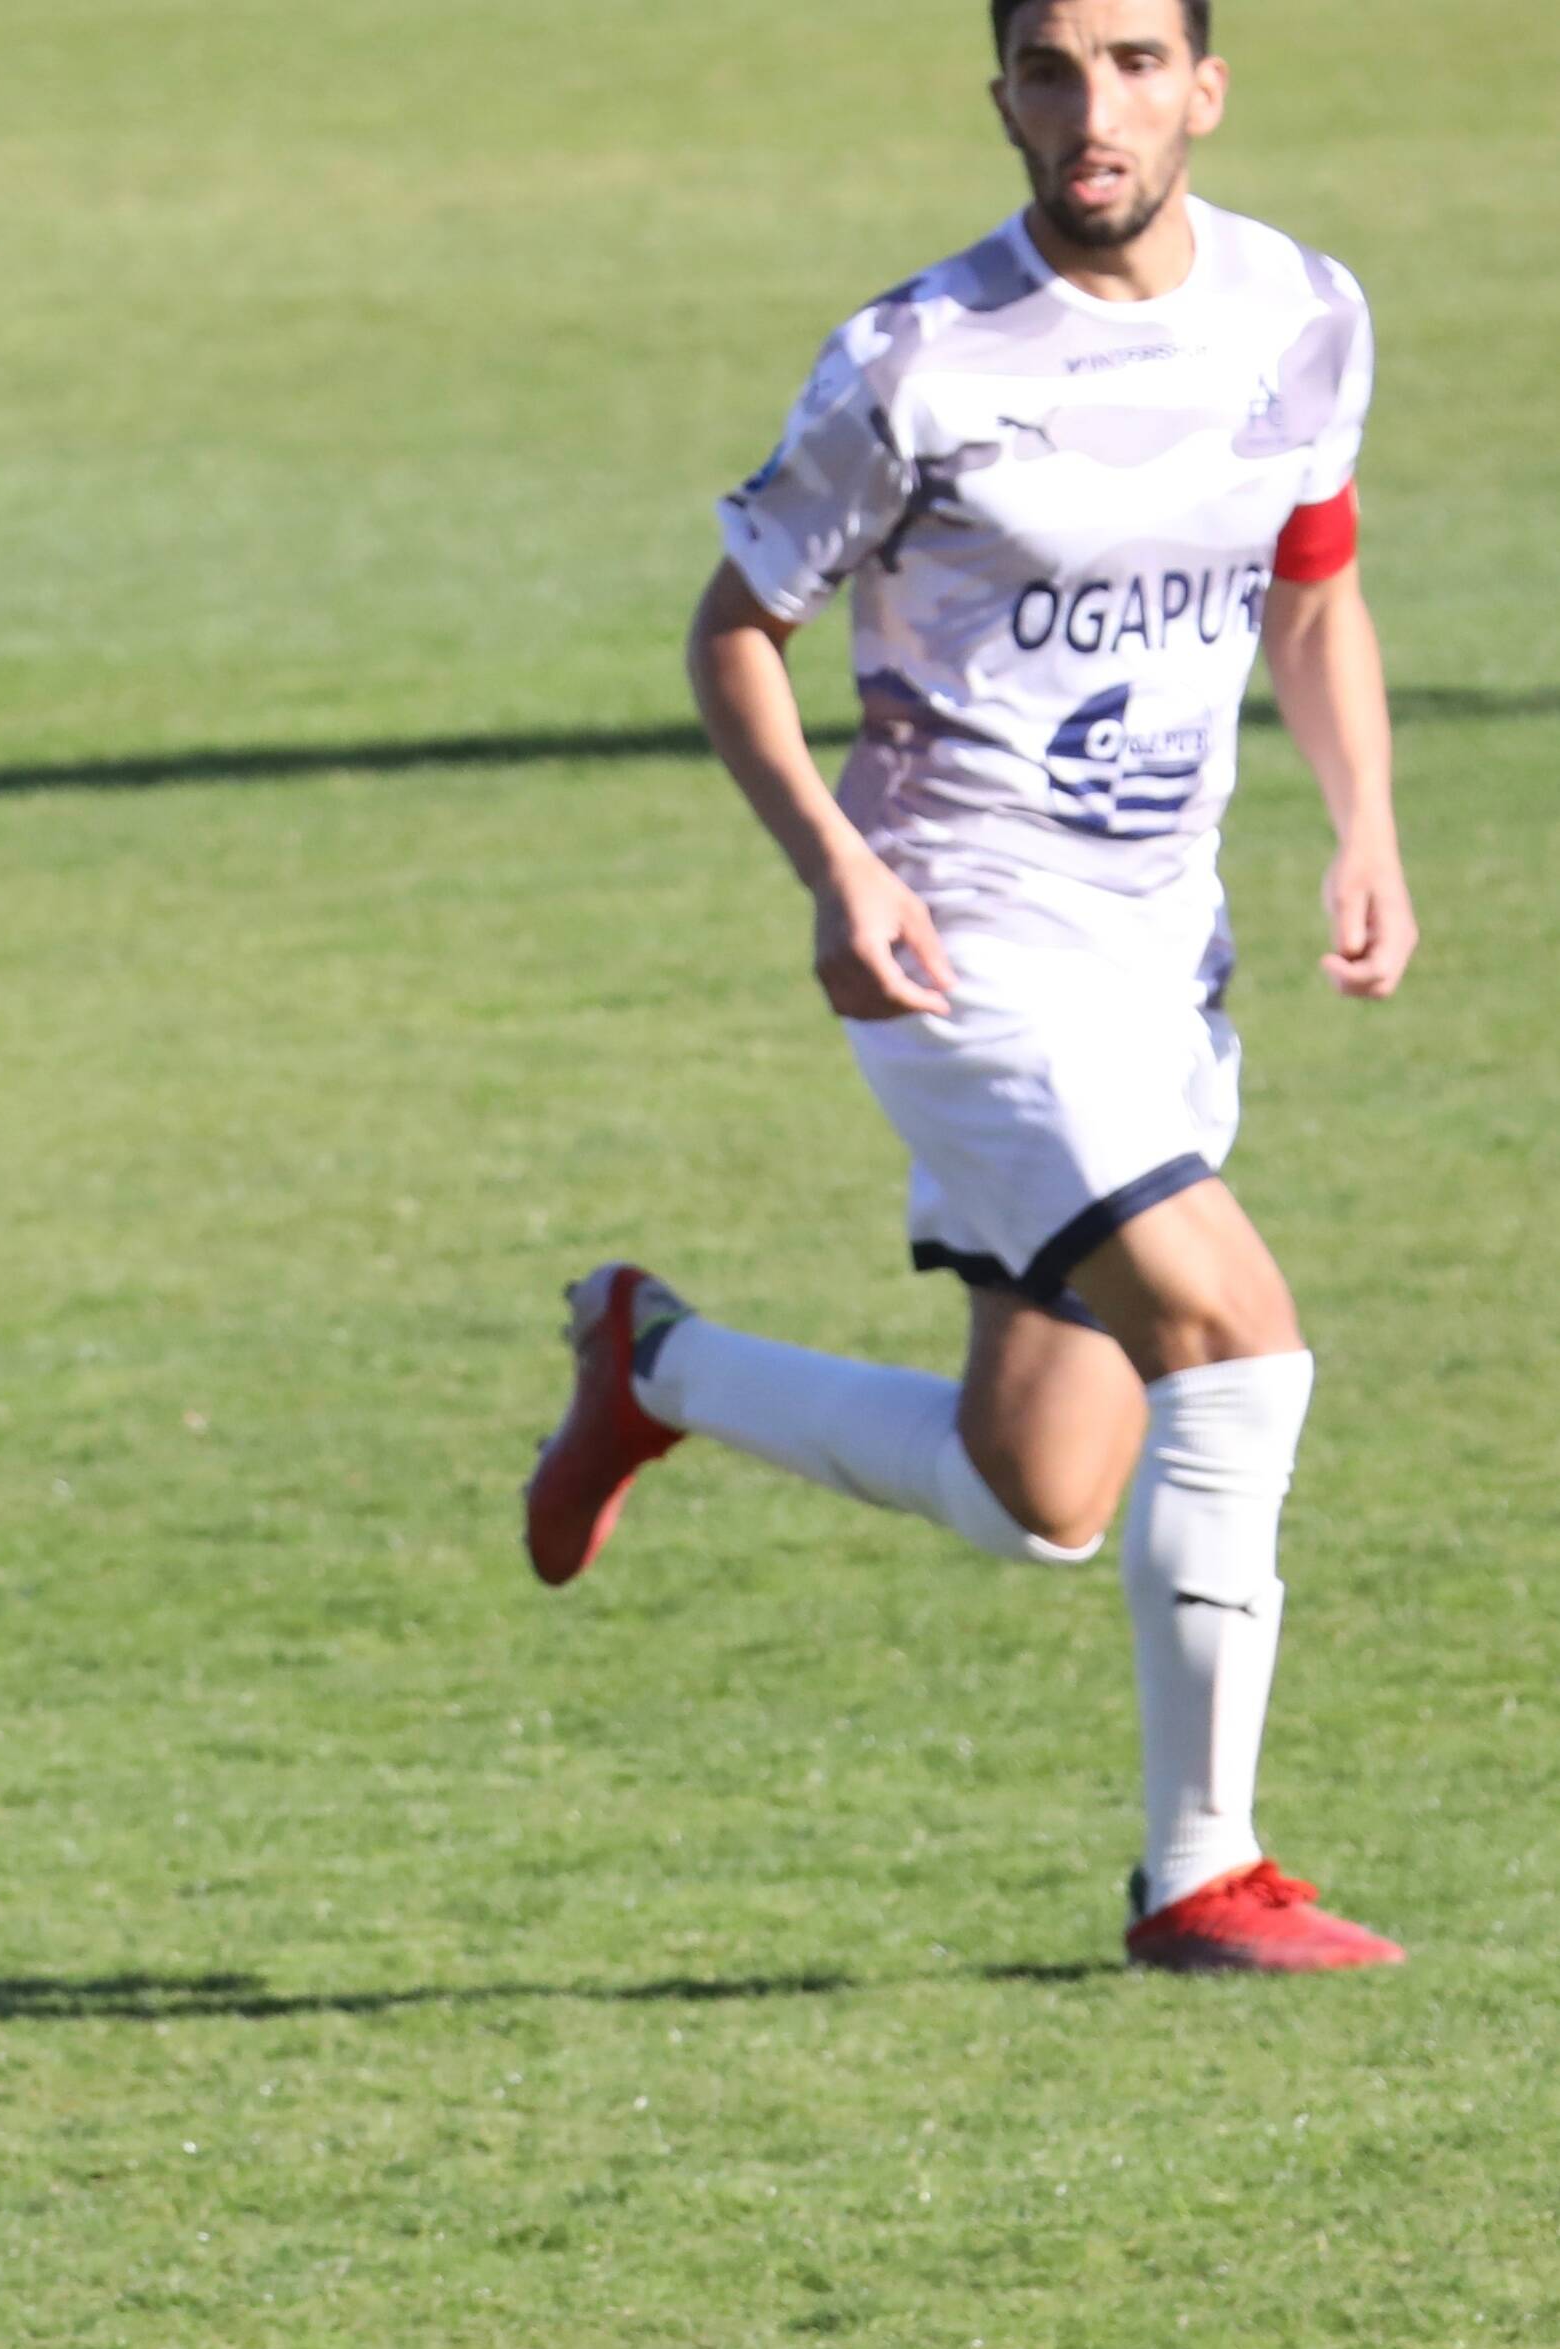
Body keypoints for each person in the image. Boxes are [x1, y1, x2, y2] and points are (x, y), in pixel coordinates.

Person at [525, 0, 1410, 1972]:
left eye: (1128, 64)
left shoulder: (1301, 311)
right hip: (965, 946)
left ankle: (651, 1363)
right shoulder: (916, 359)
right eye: (1046, 70)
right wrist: (835, 868)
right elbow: (736, 631)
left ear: (1204, 83)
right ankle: (1203, 1876)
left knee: (1047, 1492)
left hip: (1161, 959)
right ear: (999, 91)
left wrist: (1365, 827)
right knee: (1239, 1344)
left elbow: (1315, 583)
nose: (1088, 112)